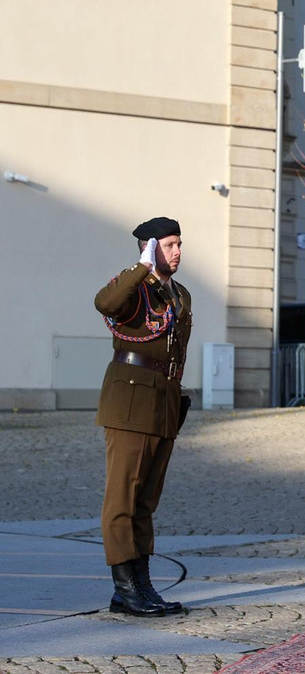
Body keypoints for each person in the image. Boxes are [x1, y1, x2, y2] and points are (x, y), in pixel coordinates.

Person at [94, 216, 194, 617]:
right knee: (123, 497)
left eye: (179, 244)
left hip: (164, 402)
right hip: (130, 403)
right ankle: (124, 588)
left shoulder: (178, 293)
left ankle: (141, 585)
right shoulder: (136, 288)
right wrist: (142, 267)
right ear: (150, 247)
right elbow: (106, 303)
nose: (177, 251)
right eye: (169, 245)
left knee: (146, 501)